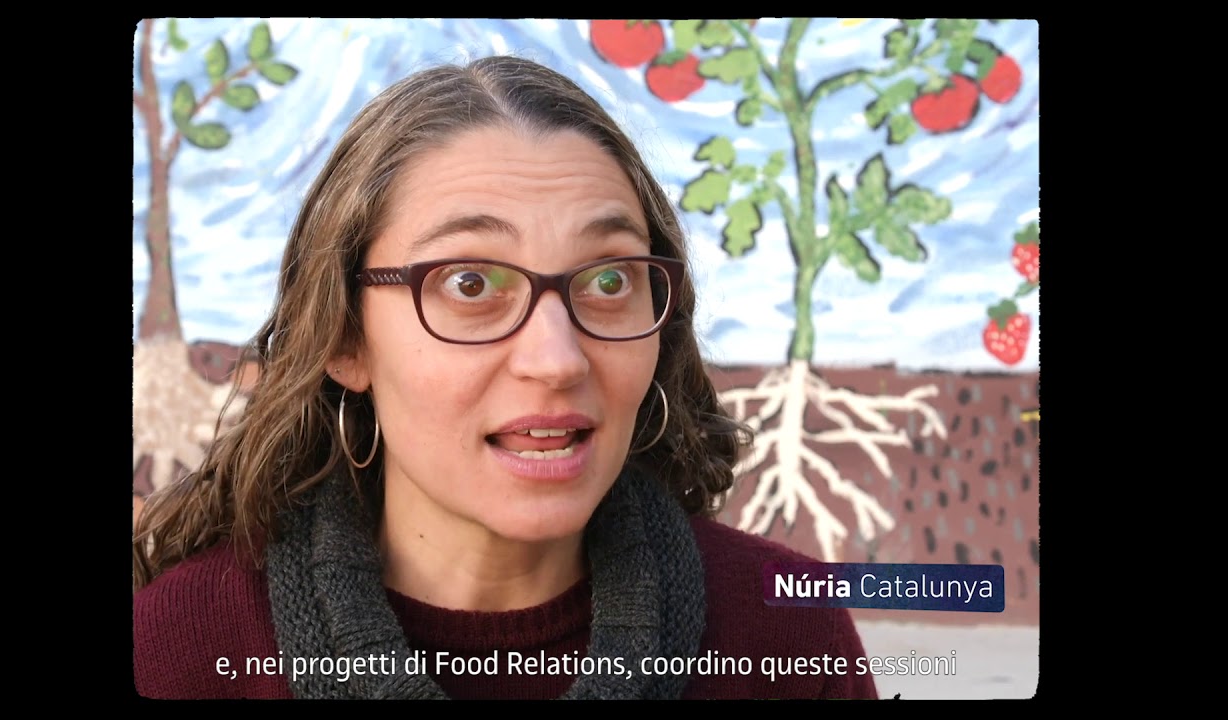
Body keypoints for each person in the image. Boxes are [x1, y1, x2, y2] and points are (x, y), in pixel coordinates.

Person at [132, 54, 878, 701]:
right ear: (347, 339)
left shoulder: (786, 641)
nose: (557, 360)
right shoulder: (179, 652)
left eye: (609, 280)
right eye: (470, 284)